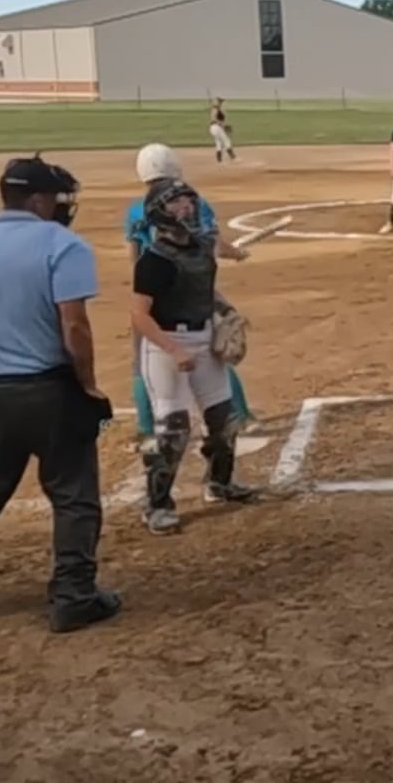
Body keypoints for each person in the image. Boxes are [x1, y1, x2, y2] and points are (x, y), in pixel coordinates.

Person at [0, 156, 120, 634]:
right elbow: (74, 325)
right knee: (74, 496)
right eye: (55, 197)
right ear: (36, 200)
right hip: (51, 392)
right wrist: (87, 384)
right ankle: (73, 597)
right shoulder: (63, 245)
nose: (61, 206)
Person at [132, 179, 258, 534]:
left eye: (189, 200)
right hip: (165, 345)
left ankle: (219, 483)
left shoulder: (203, 245)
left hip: (203, 338)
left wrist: (226, 307)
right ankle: (156, 504)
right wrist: (174, 349)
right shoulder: (153, 261)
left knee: (224, 420)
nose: (186, 207)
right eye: (176, 202)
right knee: (173, 430)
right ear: (160, 212)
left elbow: (208, 275)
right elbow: (139, 315)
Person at [126, 143, 254, 437]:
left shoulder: (136, 210)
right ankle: (242, 414)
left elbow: (133, 252)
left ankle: (145, 428)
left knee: (140, 363)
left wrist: (143, 281)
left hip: (151, 289)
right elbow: (211, 242)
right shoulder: (195, 202)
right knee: (218, 347)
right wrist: (236, 253)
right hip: (191, 284)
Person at [210, 98, 238, 163]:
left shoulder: (217, 109)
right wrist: (223, 126)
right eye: (221, 102)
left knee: (219, 143)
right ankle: (233, 157)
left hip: (214, 128)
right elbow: (215, 119)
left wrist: (224, 126)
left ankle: (219, 159)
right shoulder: (216, 109)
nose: (223, 104)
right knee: (226, 141)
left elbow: (219, 120)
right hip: (216, 127)